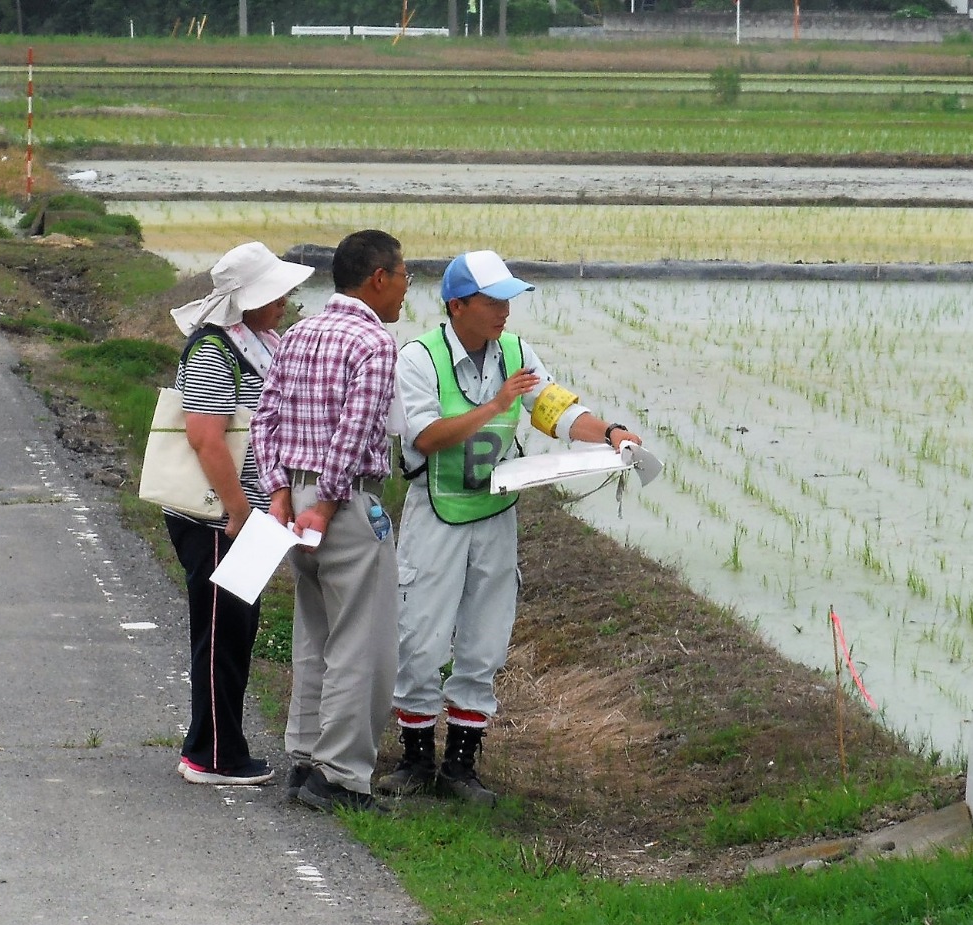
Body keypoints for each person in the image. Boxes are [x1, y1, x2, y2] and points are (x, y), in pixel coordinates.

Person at [378, 250, 642, 806]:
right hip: (438, 512)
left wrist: (612, 432)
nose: (504, 312)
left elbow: (558, 410)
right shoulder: (419, 359)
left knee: (484, 641)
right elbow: (425, 437)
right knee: (421, 637)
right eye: (493, 301)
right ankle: (415, 759)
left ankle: (461, 766)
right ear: (458, 305)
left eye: (508, 300)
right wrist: (497, 402)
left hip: (496, 515)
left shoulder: (517, 353)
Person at [251, 229, 408, 814]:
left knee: (314, 636)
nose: (405, 290)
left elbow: (265, 418)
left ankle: (305, 760)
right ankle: (340, 775)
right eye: (404, 277)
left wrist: (279, 493)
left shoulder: (297, 333)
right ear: (378, 279)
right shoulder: (373, 341)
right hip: (341, 506)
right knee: (360, 645)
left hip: (295, 498)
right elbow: (355, 428)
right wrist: (328, 500)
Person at [166, 242, 315, 787]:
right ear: (246, 299)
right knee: (217, 632)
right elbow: (206, 439)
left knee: (237, 629)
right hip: (219, 519)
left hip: (249, 516)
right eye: (275, 292)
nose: (285, 300)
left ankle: (222, 745)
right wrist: (238, 512)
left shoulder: (259, 343)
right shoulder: (212, 350)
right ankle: (210, 756)